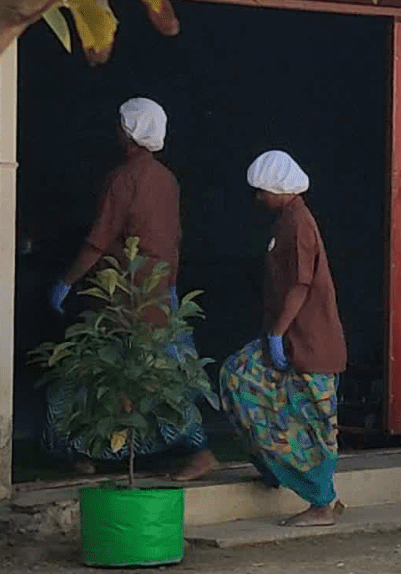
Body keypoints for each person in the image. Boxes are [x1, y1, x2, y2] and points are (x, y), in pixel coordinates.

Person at [44, 97, 214, 477]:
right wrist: (168, 285)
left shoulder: (122, 178)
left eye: (122, 125)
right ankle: (191, 449)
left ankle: (81, 452)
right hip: (157, 291)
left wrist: (65, 282)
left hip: (120, 296)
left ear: (130, 132)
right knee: (163, 374)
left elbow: (97, 241)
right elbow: (173, 238)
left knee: (86, 374)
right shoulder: (167, 179)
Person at [216, 150, 348, 527]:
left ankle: (322, 502)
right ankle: (277, 467)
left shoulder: (298, 224)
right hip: (292, 339)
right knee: (239, 377)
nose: (259, 199)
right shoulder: (286, 221)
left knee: (312, 421)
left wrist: (277, 332)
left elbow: (300, 285)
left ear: (277, 188)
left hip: (310, 342)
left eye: (261, 191)